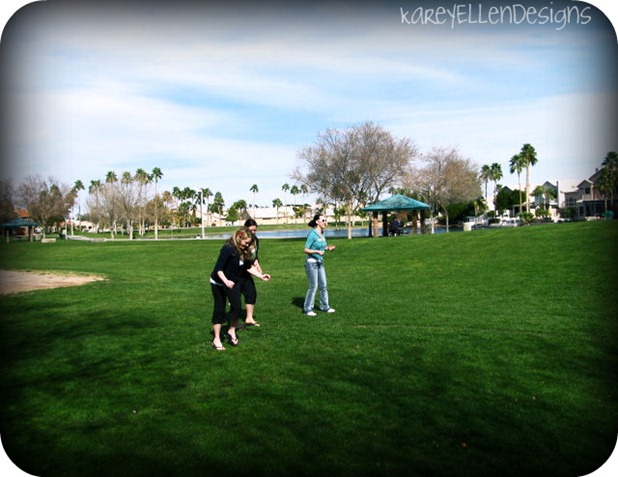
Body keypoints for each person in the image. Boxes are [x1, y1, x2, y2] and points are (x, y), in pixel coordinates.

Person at [210, 227, 271, 350]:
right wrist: (226, 281)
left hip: (232, 281)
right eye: (246, 242)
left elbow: (248, 267)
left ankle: (231, 330)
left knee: (237, 307)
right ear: (239, 237)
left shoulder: (243, 251)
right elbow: (218, 269)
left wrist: (261, 276)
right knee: (220, 309)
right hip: (218, 282)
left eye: (248, 243)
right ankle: (216, 339)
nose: (247, 245)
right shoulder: (228, 248)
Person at [303, 214, 336, 316]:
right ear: (317, 222)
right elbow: (306, 249)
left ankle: (325, 307)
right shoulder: (312, 234)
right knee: (313, 286)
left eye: (326, 220)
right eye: (323, 220)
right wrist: (317, 251)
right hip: (311, 263)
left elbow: (321, 247)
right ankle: (308, 309)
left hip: (319, 262)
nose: (326, 222)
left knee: (323, 285)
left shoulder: (322, 233)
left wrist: (328, 248)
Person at [240, 218, 263, 327]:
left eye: (255, 230)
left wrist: (257, 266)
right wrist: (258, 274)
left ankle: (249, 318)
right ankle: (233, 322)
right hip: (237, 272)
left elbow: (254, 256)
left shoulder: (255, 240)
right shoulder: (241, 242)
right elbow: (244, 263)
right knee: (235, 298)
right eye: (251, 230)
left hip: (248, 269)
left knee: (251, 293)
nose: (253, 232)